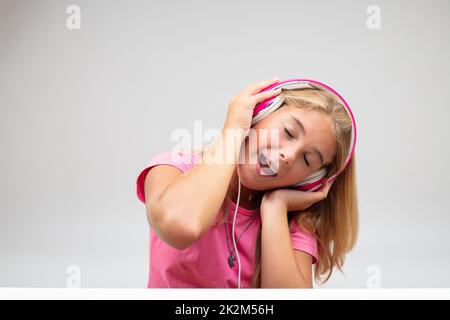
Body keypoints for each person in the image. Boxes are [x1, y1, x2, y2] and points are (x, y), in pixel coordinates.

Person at [136, 78, 359, 288]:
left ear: (311, 180)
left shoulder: (295, 221)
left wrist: (275, 208)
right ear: (260, 113)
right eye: (289, 133)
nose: (289, 156)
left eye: (307, 159)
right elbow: (181, 227)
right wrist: (232, 131)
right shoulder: (174, 167)